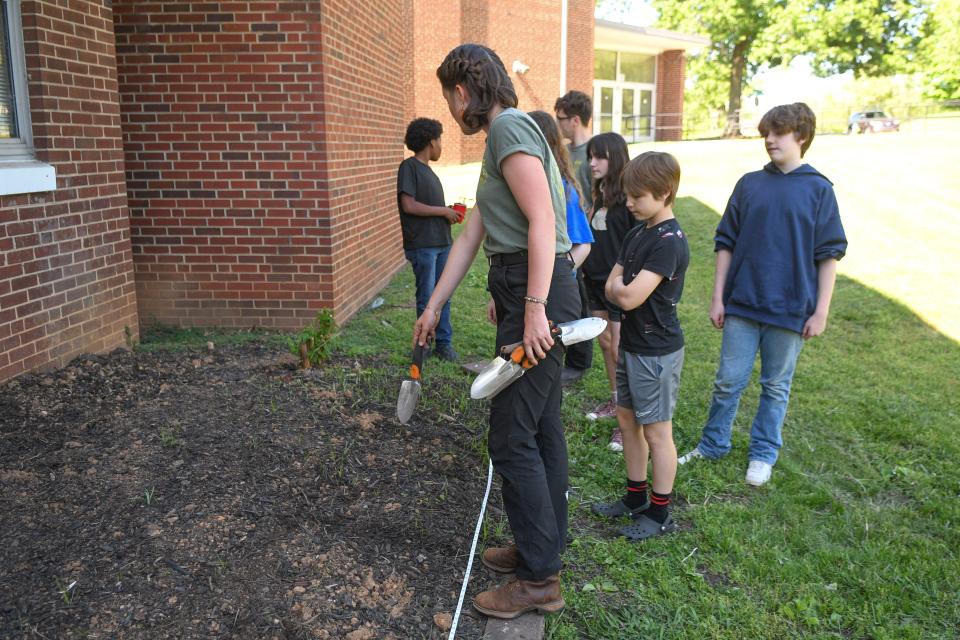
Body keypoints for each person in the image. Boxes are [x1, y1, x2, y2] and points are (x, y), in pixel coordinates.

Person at [413, 44, 580, 619]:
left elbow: (543, 221)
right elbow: (472, 237)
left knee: (511, 436)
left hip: (538, 294)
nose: (450, 110)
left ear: (462, 93)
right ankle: (542, 547)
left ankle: (540, 579)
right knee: (540, 427)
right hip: (525, 288)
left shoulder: (508, 129)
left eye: (447, 98)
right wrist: (435, 306)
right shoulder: (506, 137)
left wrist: (532, 307)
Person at [678, 103, 847, 487]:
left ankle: (763, 453)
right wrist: (718, 297)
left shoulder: (819, 190)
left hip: (790, 310)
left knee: (775, 385)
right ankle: (713, 443)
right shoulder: (749, 184)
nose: (769, 140)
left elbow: (829, 255)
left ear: (801, 136)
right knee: (728, 380)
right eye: (766, 133)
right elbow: (726, 243)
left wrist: (820, 312)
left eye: (779, 133)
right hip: (742, 304)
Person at [591, 152, 689, 540]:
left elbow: (627, 297)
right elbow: (611, 286)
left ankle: (660, 512)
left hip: (657, 354)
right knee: (628, 422)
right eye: (628, 195)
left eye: (638, 196)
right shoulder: (638, 232)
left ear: (665, 193)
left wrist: (619, 290)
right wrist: (619, 290)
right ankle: (635, 498)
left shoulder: (670, 242)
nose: (629, 203)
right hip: (631, 345)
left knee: (657, 433)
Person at [580, 132, 635, 450]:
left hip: (618, 285)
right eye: (590, 156)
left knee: (619, 348)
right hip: (593, 280)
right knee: (604, 342)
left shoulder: (629, 196)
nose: (592, 162)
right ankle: (616, 401)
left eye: (599, 156)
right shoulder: (599, 193)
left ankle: (628, 420)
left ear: (615, 157)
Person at [397, 117, 460, 361]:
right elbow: (409, 205)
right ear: (430, 141)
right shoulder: (409, 167)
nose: (441, 145)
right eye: (440, 139)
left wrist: (448, 212)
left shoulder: (428, 171)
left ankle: (443, 343)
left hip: (442, 242)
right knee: (427, 297)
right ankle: (422, 346)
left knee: (443, 295)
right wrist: (443, 211)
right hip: (423, 246)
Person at [554, 91, 595, 384]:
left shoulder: (594, 153)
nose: (559, 125)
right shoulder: (565, 152)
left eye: (561, 119)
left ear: (575, 119)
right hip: (568, 238)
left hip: (585, 239)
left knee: (582, 303)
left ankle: (580, 360)